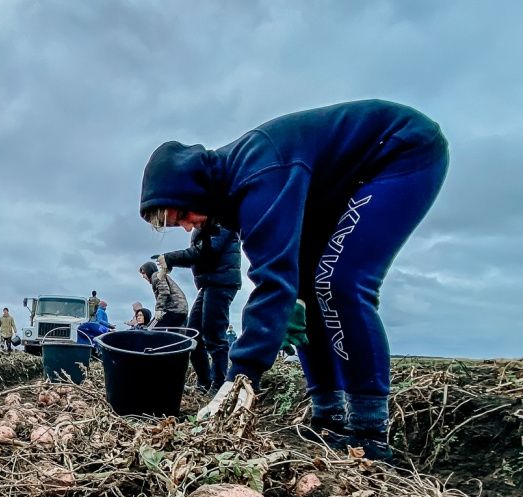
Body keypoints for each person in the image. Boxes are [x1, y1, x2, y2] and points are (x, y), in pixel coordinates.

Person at [140, 99, 449, 460]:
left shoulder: (259, 174)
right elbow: (284, 282)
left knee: (340, 282)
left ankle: (368, 431)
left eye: (183, 213)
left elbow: (272, 280)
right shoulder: (230, 201)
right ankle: (328, 413)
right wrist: (288, 299)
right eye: (179, 224)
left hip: (399, 152)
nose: (188, 225)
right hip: (330, 187)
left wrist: (240, 376)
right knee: (302, 295)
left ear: (192, 187)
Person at [154, 219, 241, 393]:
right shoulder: (204, 224)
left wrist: (170, 258)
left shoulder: (222, 221)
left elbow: (206, 251)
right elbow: (199, 253)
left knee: (214, 334)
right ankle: (204, 382)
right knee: (192, 334)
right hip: (209, 283)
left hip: (222, 281)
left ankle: (219, 384)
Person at [139, 261, 188, 328]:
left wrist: (158, 309)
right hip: (181, 310)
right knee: (171, 333)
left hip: (173, 309)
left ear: (149, 271)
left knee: (153, 330)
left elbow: (164, 291)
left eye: (144, 273)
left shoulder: (156, 275)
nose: (143, 276)